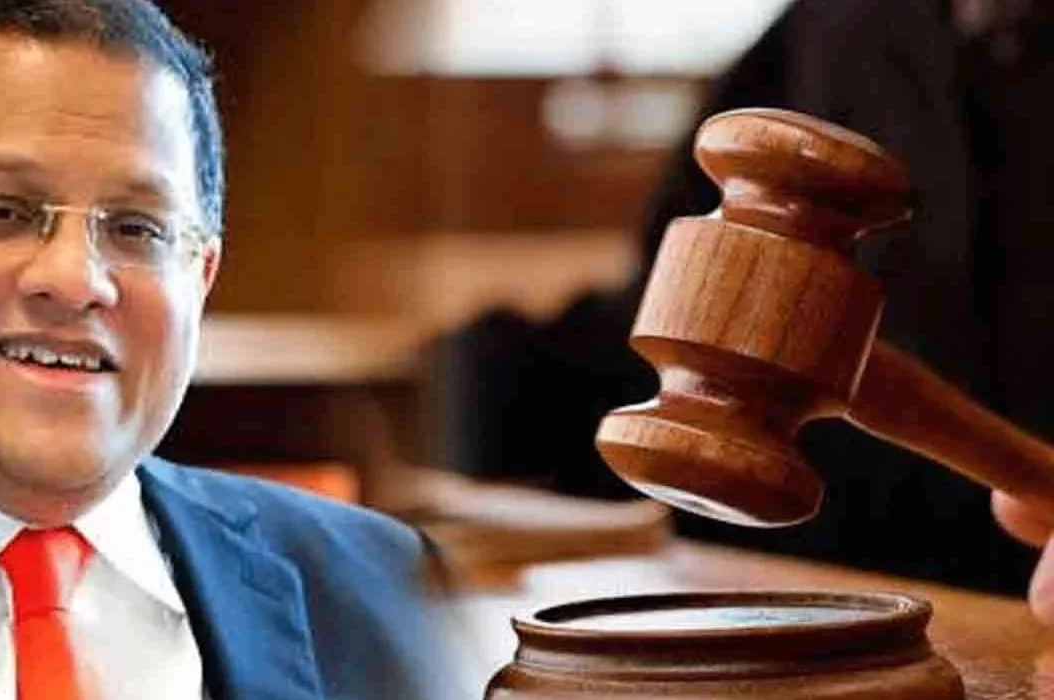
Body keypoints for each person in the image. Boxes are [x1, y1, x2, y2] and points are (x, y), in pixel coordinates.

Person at [0, 1, 454, 698]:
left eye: (137, 228)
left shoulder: (385, 588)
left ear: (201, 280)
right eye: (2, 211)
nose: (74, 281)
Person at [427, 0, 1054, 613]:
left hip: (1005, 594)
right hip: (839, 577)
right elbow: (675, 308)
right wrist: (478, 379)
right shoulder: (833, 25)